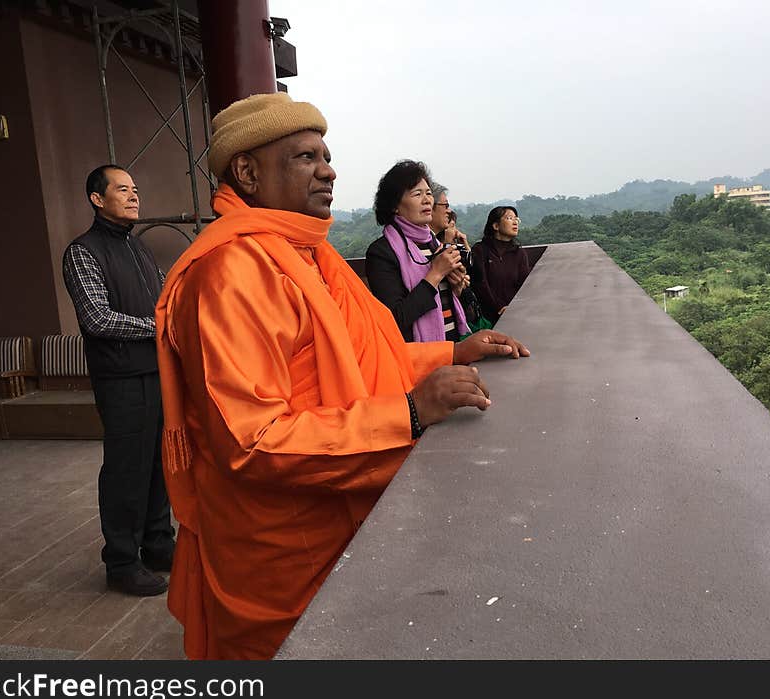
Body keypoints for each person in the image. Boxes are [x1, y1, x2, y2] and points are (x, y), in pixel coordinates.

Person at [155, 92, 529, 659]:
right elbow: (251, 440)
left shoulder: (310, 254)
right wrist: (405, 413)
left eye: (326, 155)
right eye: (306, 157)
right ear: (248, 172)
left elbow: (365, 356)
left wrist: (451, 356)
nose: (328, 170)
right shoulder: (230, 272)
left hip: (337, 515)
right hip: (283, 545)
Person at [62, 165, 175, 597]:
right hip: (121, 379)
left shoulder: (140, 249)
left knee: (158, 466)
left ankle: (158, 545)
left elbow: (166, 302)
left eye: (136, 190)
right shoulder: (82, 252)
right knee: (127, 470)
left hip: (155, 372)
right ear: (97, 198)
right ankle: (122, 563)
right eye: (122, 189)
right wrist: (158, 327)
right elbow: (97, 319)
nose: (133, 197)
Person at [365, 163, 469, 343]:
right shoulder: (381, 253)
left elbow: (449, 303)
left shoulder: (434, 243)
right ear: (395, 205)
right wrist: (435, 274)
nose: (427, 200)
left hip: (454, 344)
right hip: (418, 356)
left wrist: (458, 288)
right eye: (417, 194)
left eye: (428, 193)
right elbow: (396, 319)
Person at [471, 205, 532, 324]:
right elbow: (480, 284)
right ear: (496, 226)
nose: (515, 222)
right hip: (488, 317)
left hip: (515, 315)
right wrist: (499, 307)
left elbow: (524, 285)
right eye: (509, 218)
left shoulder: (519, 253)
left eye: (516, 219)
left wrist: (514, 308)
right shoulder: (480, 250)